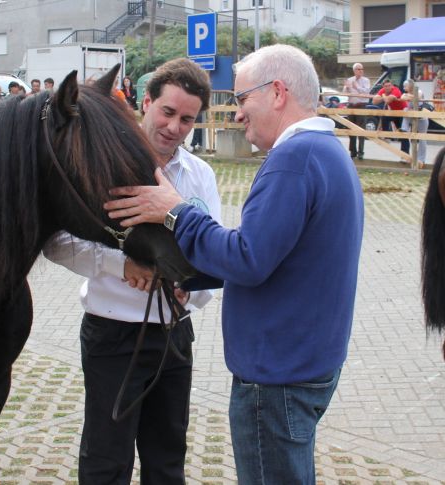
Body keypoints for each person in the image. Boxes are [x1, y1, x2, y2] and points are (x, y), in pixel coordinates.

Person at [104, 44, 364, 484]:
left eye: (243, 99)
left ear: (277, 92)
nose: (238, 114)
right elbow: (271, 256)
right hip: (305, 363)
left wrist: (176, 211)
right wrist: (186, 272)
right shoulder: (327, 151)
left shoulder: (293, 160)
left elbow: (248, 258)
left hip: (278, 373)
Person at [43, 58, 221, 484]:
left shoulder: (200, 175)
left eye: (187, 119)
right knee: (107, 461)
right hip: (113, 334)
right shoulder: (101, 162)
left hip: (175, 336)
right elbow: (54, 241)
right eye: (167, 111)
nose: (174, 126)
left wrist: (190, 291)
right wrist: (120, 265)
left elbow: (213, 252)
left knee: (167, 461)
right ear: (146, 102)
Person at [342, 63, 371, 159]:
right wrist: (346, 87)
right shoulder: (350, 80)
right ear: (354, 70)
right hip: (351, 106)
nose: (361, 71)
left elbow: (366, 92)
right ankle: (352, 151)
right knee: (351, 129)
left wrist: (356, 87)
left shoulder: (366, 80)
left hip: (361, 106)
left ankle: (361, 152)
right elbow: (344, 94)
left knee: (361, 130)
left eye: (362, 69)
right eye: (358, 69)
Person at [373, 79, 409, 154]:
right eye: (386, 86)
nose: (388, 87)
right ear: (383, 86)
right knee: (384, 117)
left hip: (402, 112)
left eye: (389, 85)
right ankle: (387, 136)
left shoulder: (396, 90)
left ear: (392, 86)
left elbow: (388, 100)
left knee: (403, 133)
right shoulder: (382, 91)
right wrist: (383, 96)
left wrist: (383, 96)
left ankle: (405, 153)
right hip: (393, 112)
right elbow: (374, 101)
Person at [401, 78, 429, 168]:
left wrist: (408, 96)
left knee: (422, 138)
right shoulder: (406, 93)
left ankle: (421, 159)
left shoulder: (419, 90)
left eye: (405, 86)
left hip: (422, 118)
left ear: (410, 86)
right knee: (405, 110)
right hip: (413, 117)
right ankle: (404, 128)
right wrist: (408, 96)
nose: (404, 88)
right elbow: (402, 98)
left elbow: (418, 97)